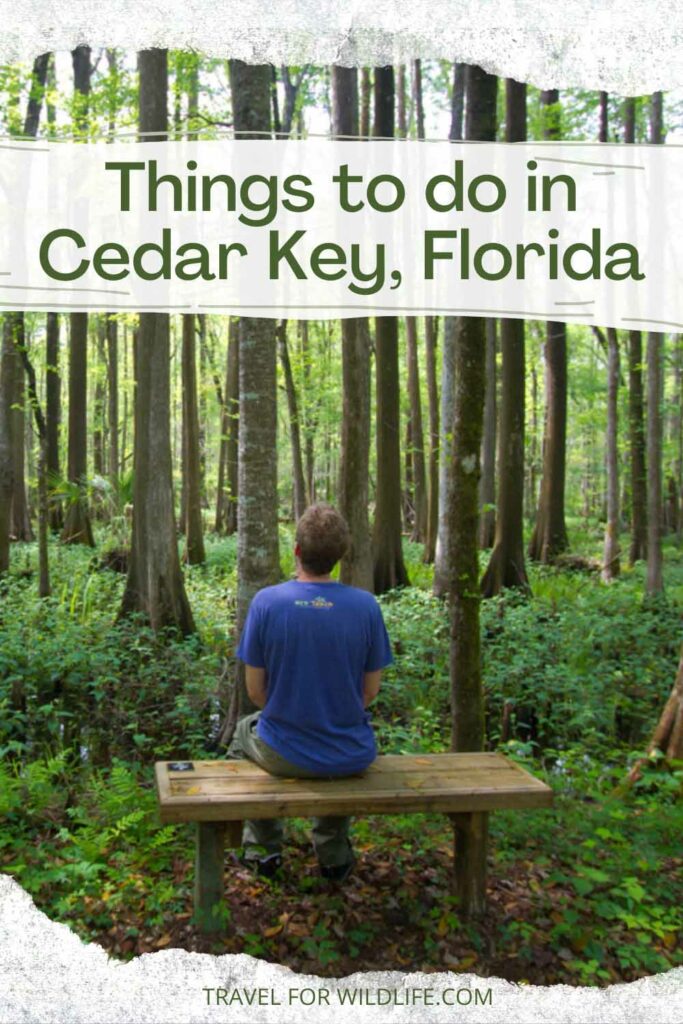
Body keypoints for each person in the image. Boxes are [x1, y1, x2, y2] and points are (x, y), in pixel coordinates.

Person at [230, 503, 393, 882]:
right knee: (326, 750)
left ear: (297, 551)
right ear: (339, 556)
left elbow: (255, 692)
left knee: (243, 732)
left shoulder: (267, 603)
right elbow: (370, 691)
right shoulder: (366, 606)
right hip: (351, 752)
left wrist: (293, 713)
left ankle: (263, 850)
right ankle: (334, 853)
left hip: (284, 751)